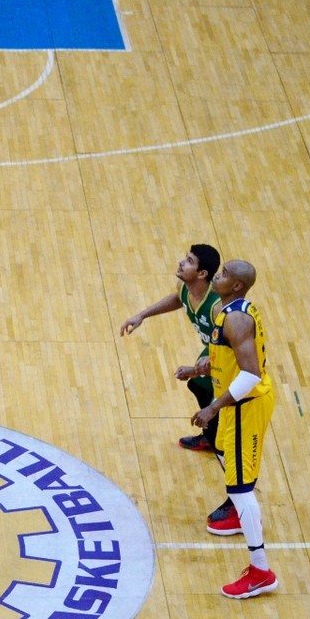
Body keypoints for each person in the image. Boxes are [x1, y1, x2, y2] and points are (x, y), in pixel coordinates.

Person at [188, 260, 279, 599]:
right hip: (232, 403)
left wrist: (213, 405)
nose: (217, 276)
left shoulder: (237, 319)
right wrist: (200, 366)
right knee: (224, 454)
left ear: (237, 286)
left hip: (245, 405)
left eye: (224, 274)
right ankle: (244, 513)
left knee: (240, 488)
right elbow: (229, 355)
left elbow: (251, 373)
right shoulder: (225, 310)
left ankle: (260, 571)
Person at [119, 244, 223, 453]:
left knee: (212, 393)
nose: (181, 262)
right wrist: (142, 315)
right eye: (186, 257)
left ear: (202, 274)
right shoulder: (184, 287)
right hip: (213, 348)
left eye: (189, 261)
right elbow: (179, 299)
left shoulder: (216, 307)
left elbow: (231, 348)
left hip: (227, 353)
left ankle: (220, 437)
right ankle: (214, 435)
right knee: (199, 386)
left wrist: (197, 369)